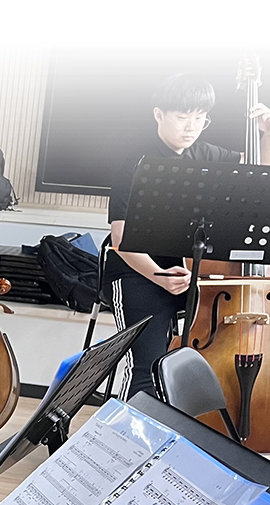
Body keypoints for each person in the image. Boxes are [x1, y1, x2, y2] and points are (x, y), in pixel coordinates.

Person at [106, 73, 270, 401]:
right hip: (143, 276)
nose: (191, 127)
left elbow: (257, 173)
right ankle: (124, 430)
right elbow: (120, 239)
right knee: (146, 368)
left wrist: (267, 133)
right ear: (159, 114)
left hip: (197, 276)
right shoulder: (135, 163)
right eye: (183, 117)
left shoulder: (205, 154)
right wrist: (160, 276)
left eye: (200, 118)